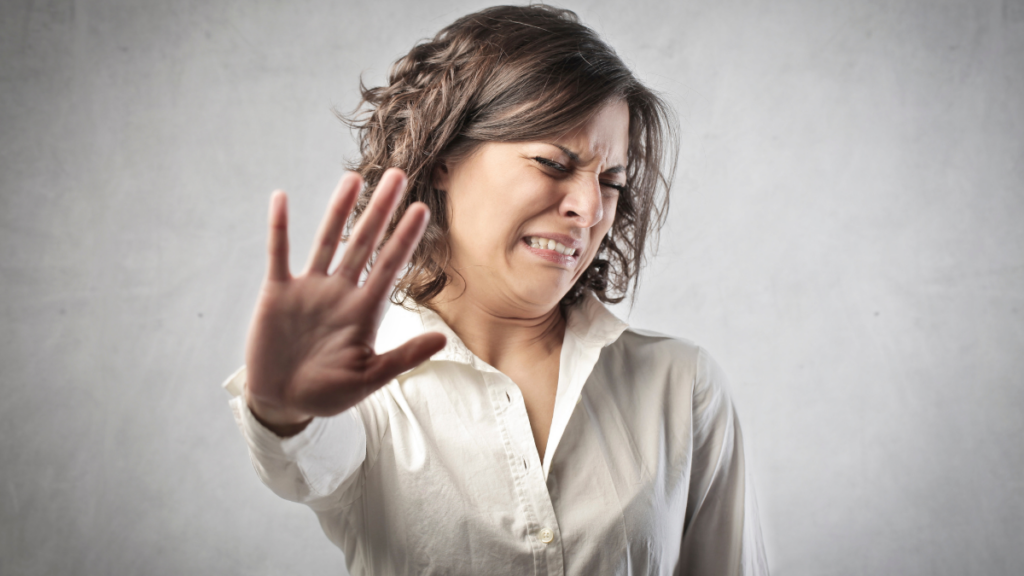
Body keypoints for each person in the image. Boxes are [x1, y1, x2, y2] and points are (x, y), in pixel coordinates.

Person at [224, 5, 768, 575]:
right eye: (553, 163)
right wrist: (282, 408)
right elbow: (305, 459)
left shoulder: (681, 386)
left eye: (610, 182)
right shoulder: (366, 388)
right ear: (443, 156)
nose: (588, 210)